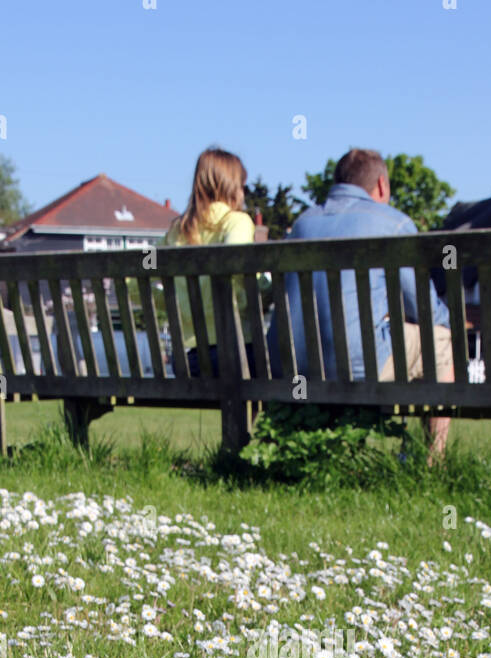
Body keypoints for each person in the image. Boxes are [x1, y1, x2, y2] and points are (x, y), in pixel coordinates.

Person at [268, 148, 454, 456]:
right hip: (356, 363)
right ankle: (435, 460)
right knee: (439, 338)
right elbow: (424, 309)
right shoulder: (392, 224)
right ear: (381, 185)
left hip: (292, 363)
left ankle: (332, 451)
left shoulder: (302, 224)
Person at [164, 148, 257, 378]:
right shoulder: (237, 222)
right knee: (285, 367)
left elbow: (136, 283)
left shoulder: (176, 232)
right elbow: (235, 264)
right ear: (232, 186)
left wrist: (170, 300)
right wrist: (263, 286)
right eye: (242, 186)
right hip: (233, 356)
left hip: (186, 362)